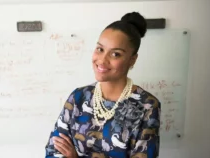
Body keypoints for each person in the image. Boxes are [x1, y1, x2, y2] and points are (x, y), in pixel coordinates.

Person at [45, 12, 161, 158]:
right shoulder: (78, 98)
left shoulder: (147, 106)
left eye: (115, 54)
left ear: (132, 60)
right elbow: (53, 150)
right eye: (100, 49)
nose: (102, 60)